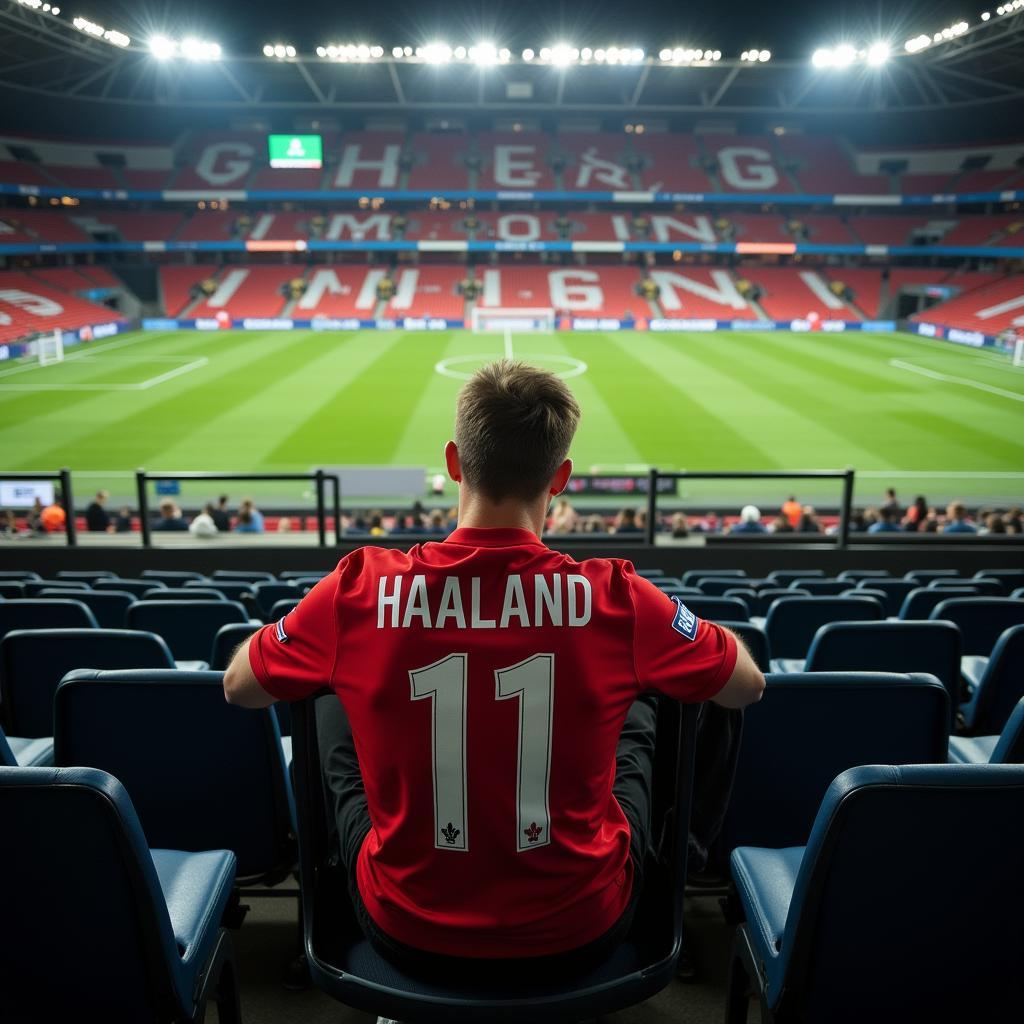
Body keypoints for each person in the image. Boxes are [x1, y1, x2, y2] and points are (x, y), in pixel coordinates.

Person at [224, 360, 764, 971]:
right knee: (650, 693)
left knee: (323, 690)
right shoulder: (618, 597)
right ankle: (681, 866)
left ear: (454, 463)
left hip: (405, 931)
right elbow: (746, 687)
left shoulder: (359, 589)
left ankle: (328, 902)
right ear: (559, 479)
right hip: (585, 930)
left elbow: (240, 687)